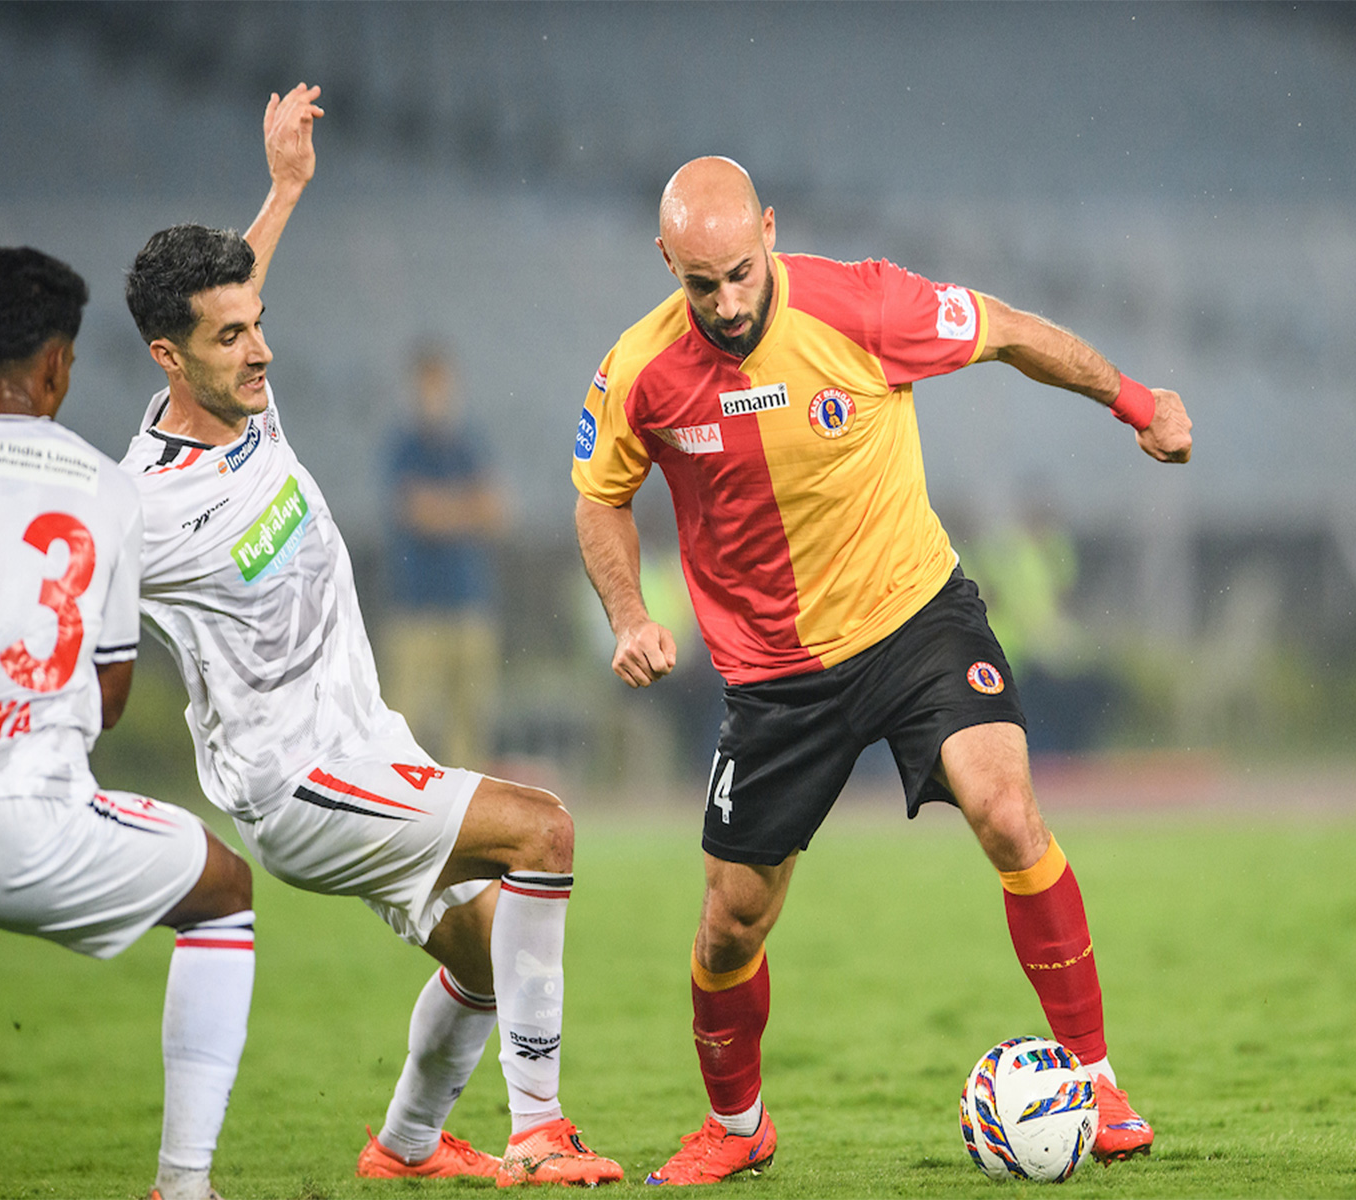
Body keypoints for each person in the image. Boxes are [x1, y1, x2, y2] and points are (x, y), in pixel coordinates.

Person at [572, 156, 1193, 1185]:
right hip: (773, 679)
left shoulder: (859, 304)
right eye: (699, 283)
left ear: (769, 231)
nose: (725, 303)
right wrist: (629, 615)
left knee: (1005, 810)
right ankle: (737, 1127)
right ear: (664, 262)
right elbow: (600, 496)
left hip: (915, 622)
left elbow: (1006, 330)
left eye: (738, 272)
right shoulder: (639, 369)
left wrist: (1134, 401)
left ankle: (1097, 1079)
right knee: (730, 924)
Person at [118, 84, 620, 1188]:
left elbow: (236, 290)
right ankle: (537, 1131)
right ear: (168, 356)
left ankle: (404, 1146)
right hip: (297, 782)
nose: (259, 353)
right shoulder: (140, 509)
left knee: (491, 955)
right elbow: (55, 589)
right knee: (543, 832)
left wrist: (286, 188)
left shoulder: (239, 394)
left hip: (368, 740)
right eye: (230, 338)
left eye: (258, 328)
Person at [0, 248, 254, 1200]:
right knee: (222, 891)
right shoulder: (103, 488)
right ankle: (184, 1185)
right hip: (21, 820)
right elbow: (110, 695)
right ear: (59, 369)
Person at [380, 342, 506, 769]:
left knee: (469, 726)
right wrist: (466, 508)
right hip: (417, 609)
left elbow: (498, 510)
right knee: (408, 722)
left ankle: (466, 825)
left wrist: (446, 510)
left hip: (468, 604)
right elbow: (418, 513)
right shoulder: (405, 445)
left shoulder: (469, 443)